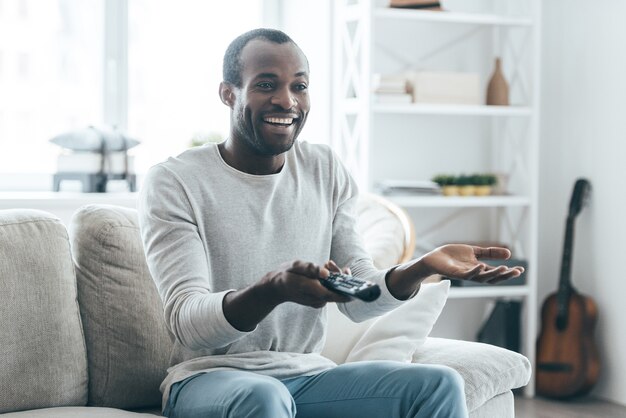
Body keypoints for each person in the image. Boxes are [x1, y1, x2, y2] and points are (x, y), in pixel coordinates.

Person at [138, 28, 524, 418]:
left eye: (299, 86)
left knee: (439, 384)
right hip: (208, 379)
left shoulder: (324, 168)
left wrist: (421, 267)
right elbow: (187, 321)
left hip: (306, 376)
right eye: (266, 84)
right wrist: (272, 290)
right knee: (265, 398)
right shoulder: (175, 181)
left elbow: (359, 300)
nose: (286, 101)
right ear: (228, 93)